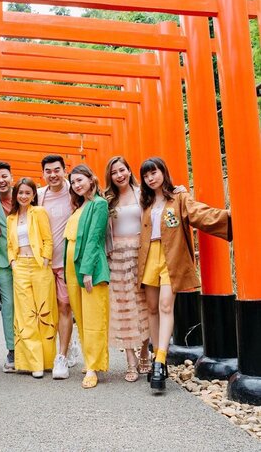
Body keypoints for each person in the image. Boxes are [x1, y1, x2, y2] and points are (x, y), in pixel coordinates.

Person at [138, 157, 232, 391]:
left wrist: (229, 215)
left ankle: (160, 360)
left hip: (171, 257)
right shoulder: (145, 202)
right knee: (151, 307)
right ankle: (154, 356)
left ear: (163, 172)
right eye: (146, 175)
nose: (151, 178)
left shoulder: (179, 198)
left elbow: (199, 213)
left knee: (166, 305)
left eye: (154, 173)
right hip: (149, 255)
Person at [104, 156, 150, 383]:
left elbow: (164, 201)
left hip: (140, 254)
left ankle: (144, 353)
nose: (119, 175)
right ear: (110, 176)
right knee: (122, 309)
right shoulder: (108, 199)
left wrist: (179, 190)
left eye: (122, 170)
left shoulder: (143, 193)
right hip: (117, 257)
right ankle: (130, 361)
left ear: (130, 170)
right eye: (114, 172)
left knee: (142, 305)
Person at [64, 164, 110, 389]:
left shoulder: (99, 204)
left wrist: (88, 270)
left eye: (80, 180)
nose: (77, 185)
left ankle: (93, 366)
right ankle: (88, 359)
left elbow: (94, 238)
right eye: (73, 182)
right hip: (72, 263)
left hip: (88, 265)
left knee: (93, 315)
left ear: (92, 179)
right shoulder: (80, 206)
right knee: (80, 315)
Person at [7, 177, 57, 379]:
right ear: (15, 194)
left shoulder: (39, 212)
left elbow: (48, 239)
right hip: (20, 266)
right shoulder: (11, 218)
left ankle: (47, 361)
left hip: (39, 266)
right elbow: (10, 245)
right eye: (20, 192)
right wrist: (13, 262)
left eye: (28, 192)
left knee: (44, 312)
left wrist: (45, 260)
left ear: (34, 195)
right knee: (25, 315)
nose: (24, 196)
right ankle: (32, 362)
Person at [37, 154, 77, 380]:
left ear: (64, 170)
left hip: (66, 262)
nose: (53, 175)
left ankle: (61, 355)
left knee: (64, 307)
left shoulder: (75, 191)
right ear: (42, 174)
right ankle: (49, 350)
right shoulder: (39, 195)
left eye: (56, 170)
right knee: (44, 308)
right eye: (48, 171)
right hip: (42, 263)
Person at [0, 161, 15, 373]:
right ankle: (12, 349)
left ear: (11, 177)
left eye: (4, 176)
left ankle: (34, 348)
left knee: (31, 304)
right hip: (3, 262)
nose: (1, 180)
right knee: (8, 306)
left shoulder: (26, 194)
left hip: (27, 259)